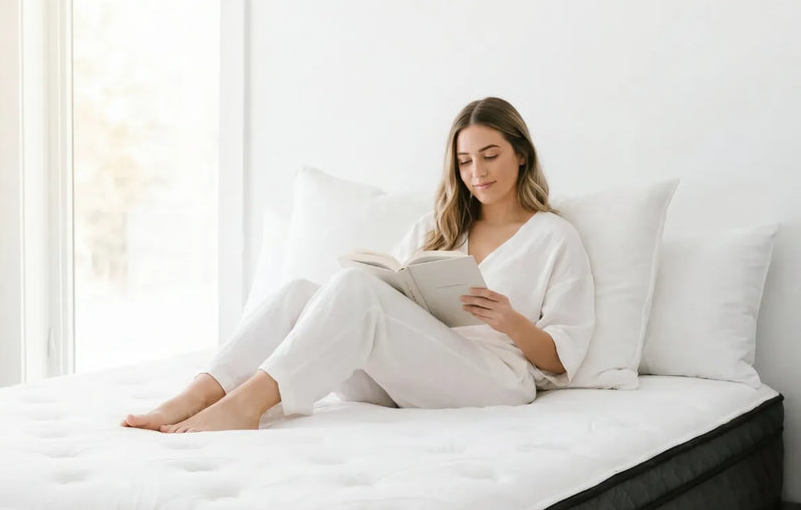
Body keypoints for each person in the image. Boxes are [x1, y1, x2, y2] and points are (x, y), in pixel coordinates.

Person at [122, 96, 594, 434]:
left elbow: (560, 359)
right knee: (299, 295)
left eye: (490, 156)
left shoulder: (554, 237)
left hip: (494, 379)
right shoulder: (440, 228)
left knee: (354, 291)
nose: (478, 173)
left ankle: (247, 405)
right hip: (408, 374)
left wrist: (509, 320)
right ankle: (198, 394)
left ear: (521, 154)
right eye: (466, 161)